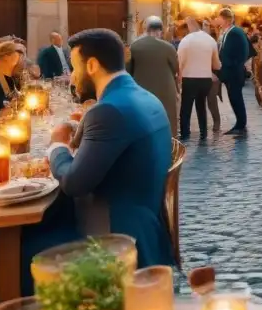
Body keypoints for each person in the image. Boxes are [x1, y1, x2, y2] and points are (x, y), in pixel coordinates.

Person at [43, 28, 174, 268]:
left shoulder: (108, 111)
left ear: (91, 65)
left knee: (23, 248)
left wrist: (57, 146)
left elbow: (74, 183)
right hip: (146, 226)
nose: (72, 77)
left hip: (110, 231)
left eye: (74, 67)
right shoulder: (146, 96)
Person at [128, 17, 179, 136]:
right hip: (165, 88)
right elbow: (176, 67)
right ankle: (169, 143)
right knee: (168, 116)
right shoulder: (168, 47)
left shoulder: (135, 46)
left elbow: (128, 69)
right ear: (161, 31)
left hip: (141, 88)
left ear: (146, 29)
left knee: (143, 117)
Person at [177, 17, 221, 139]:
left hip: (189, 78)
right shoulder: (210, 40)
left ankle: (185, 133)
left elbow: (180, 62)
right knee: (201, 105)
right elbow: (217, 64)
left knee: (186, 106)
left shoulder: (185, 41)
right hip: (205, 79)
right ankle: (203, 132)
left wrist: (179, 77)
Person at [216, 7, 249, 134]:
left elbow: (242, 52)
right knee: (234, 98)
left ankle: (241, 124)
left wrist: (231, 65)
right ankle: (239, 123)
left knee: (236, 98)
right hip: (231, 71)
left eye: (219, 18)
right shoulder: (229, 31)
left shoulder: (235, 32)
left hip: (234, 72)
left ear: (225, 19)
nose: (218, 20)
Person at [201, 19, 222, 133]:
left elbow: (218, 61)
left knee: (211, 100)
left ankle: (216, 122)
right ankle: (203, 125)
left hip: (213, 75)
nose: (204, 27)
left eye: (206, 25)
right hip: (200, 74)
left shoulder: (215, 42)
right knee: (200, 101)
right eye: (203, 25)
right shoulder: (197, 40)